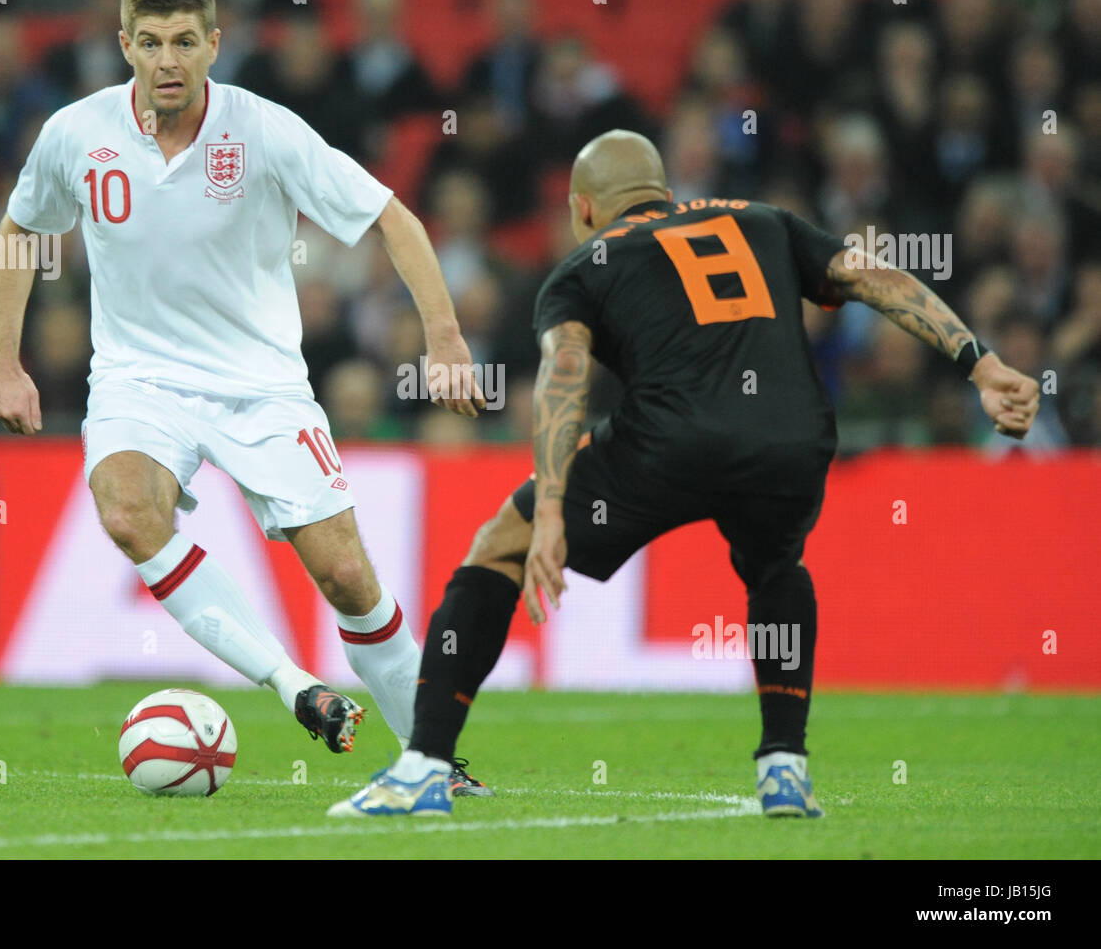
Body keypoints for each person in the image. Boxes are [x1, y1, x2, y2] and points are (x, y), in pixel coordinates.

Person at [331, 129, 1040, 818]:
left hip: (670, 441)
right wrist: (980, 362)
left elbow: (565, 376)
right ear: (666, 193)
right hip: (791, 438)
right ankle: (784, 765)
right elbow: (871, 276)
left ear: (583, 209)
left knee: (498, 545)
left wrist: (549, 510)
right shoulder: (765, 221)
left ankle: (423, 766)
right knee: (774, 564)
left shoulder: (584, 266)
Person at [0, 0, 488, 775]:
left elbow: (390, 215)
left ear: (215, 45)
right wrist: (2, 362)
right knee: (125, 511)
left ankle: (435, 759)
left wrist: (446, 339)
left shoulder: (264, 130)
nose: (168, 60)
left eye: (185, 41)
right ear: (125, 47)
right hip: (137, 380)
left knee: (347, 574)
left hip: (261, 386)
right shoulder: (77, 133)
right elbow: (17, 232)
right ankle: (295, 686)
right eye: (149, 44)